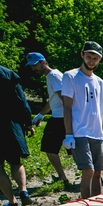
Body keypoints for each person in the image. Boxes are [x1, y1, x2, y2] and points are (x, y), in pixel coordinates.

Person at [61, 41, 103, 199]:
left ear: (99, 60)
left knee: (98, 172)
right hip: (80, 131)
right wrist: (69, 134)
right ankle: (86, 205)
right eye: (89, 56)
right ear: (82, 55)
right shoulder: (70, 76)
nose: (91, 60)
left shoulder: (100, 82)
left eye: (95, 58)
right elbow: (67, 107)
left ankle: (96, 205)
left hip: (97, 133)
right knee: (88, 170)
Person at [25, 52, 70, 186]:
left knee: (50, 148)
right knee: (67, 149)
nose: (33, 68)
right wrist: (41, 114)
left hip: (60, 118)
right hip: (58, 116)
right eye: (31, 66)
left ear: (43, 62)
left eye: (35, 65)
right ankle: (65, 177)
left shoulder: (54, 76)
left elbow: (64, 97)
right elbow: (53, 100)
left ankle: (63, 178)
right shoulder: (51, 76)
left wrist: (70, 116)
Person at [0, 65, 34, 206]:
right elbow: (21, 101)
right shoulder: (8, 74)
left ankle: (12, 202)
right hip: (10, 124)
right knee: (15, 162)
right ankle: (23, 191)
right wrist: (27, 122)